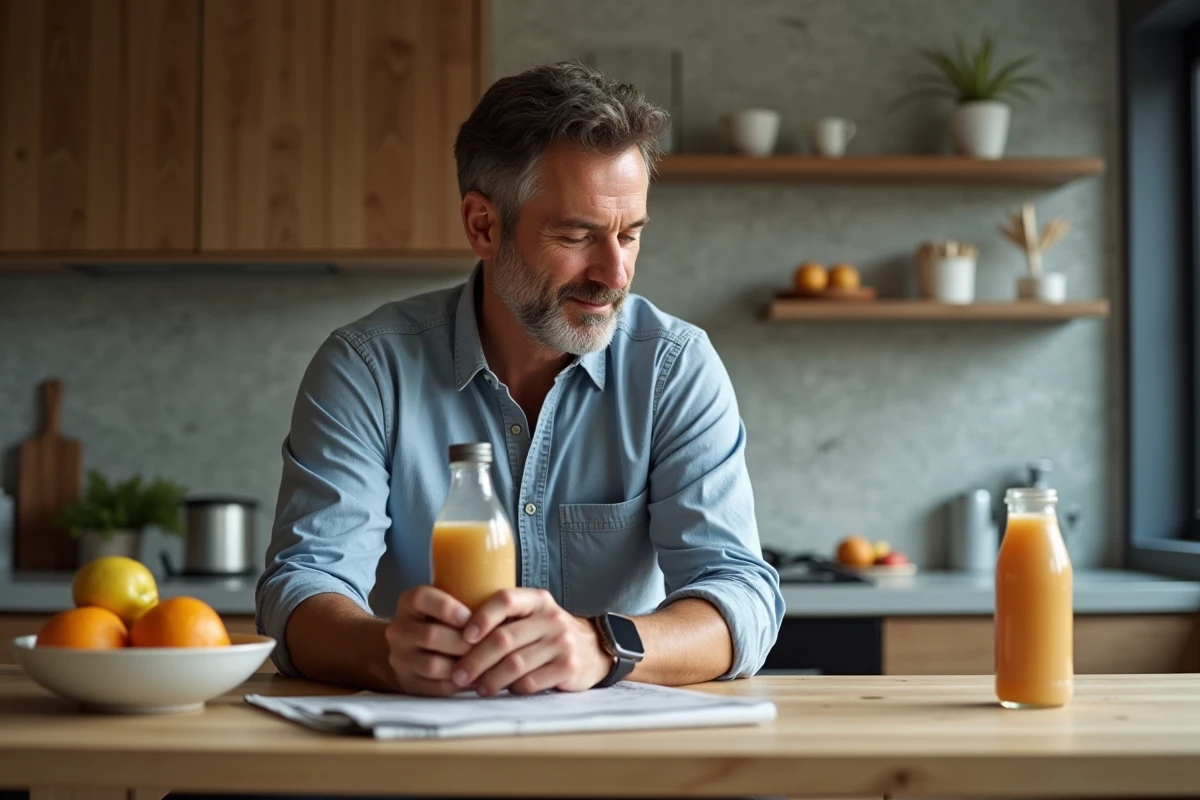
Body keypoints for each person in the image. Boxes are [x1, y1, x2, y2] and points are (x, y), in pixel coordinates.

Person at [256, 61, 784, 698]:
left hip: (617, 760)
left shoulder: (673, 366)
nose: (615, 273)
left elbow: (741, 597)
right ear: (483, 225)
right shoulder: (368, 368)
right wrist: (383, 651)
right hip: (421, 751)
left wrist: (602, 645)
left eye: (630, 234)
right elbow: (302, 588)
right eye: (577, 235)